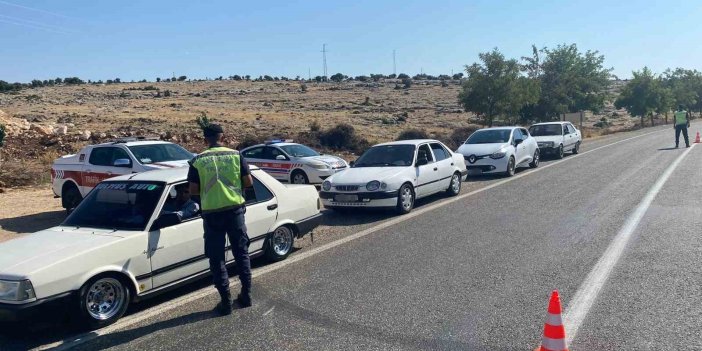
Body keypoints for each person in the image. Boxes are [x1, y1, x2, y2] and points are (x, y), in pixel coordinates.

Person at [188, 123, 253, 315]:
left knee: (216, 259)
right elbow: (248, 182)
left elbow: (193, 190)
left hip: (212, 215)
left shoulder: (198, 160)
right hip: (235, 212)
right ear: (222, 137)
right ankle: (247, 296)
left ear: (205, 139)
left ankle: (226, 302)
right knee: (241, 254)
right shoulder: (235, 155)